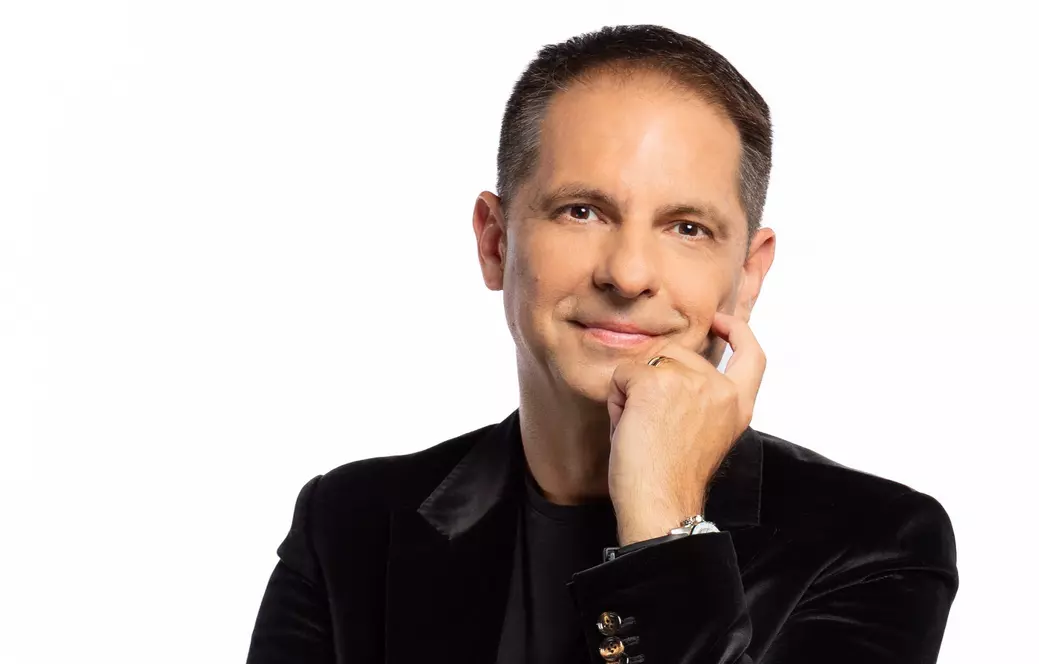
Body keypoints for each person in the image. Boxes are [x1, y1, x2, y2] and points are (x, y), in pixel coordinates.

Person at [245, 24, 958, 664]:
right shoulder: (349, 527)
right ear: (495, 243)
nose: (629, 273)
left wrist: (663, 523)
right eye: (581, 211)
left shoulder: (876, 545)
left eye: (687, 228)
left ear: (747, 275)